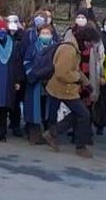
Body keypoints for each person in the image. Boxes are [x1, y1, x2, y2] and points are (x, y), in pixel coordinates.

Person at [42, 29, 93, 158]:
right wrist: (78, 79)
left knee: (79, 114)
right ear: (84, 40)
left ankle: (53, 133)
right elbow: (62, 73)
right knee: (84, 114)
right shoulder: (69, 50)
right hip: (63, 88)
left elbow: (74, 69)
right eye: (90, 43)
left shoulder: (72, 47)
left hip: (64, 87)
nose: (90, 46)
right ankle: (80, 146)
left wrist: (86, 83)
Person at [22, 25, 55, 144]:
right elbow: (27, 62)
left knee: (48, 108)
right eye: (43, 33)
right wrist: (34, 74)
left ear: (52, 34)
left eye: (48, 33)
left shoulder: (56, 47)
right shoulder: (33, 47)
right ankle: (34, 135)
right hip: (35, 82)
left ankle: (49, 133)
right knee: (34, 108)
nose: (45, 35)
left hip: (51, 82)